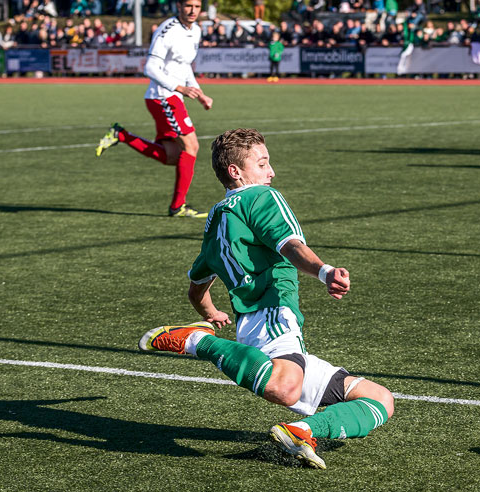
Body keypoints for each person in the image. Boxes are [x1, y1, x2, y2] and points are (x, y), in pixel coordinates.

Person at [138, 129, 395, 469]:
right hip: (274, 314)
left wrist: (211, 311)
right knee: (285, 389)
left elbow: (196, 288)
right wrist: (324, 271)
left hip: (253, 329)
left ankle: (302, 431)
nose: (271, 172)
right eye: (262, 163)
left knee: (380, 398)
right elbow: (289, 245)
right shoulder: (260, 197)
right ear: (236, 172)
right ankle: (198, 342)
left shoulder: (216, 220)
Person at [95, 0, 214, 218]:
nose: (192, 10)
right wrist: (179, 88)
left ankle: (121, 135)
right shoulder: (167, 30)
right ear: (179, 6)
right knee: (191, 146)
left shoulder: (195, 30)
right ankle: (178, 206)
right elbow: (149, 67)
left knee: (172, 156)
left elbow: (184, 65)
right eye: (188, 5)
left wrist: (199, 93)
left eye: (196, 6)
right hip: (163, 97)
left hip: (171, 96)